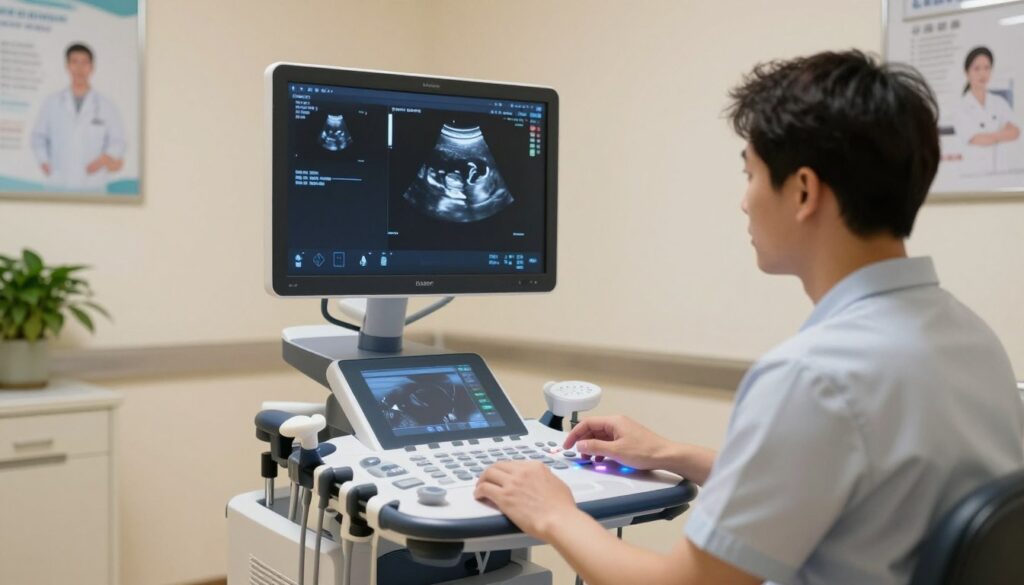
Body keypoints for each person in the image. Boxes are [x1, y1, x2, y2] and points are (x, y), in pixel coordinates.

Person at [474, 50, 1024, 585]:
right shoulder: (972, 340)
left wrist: (553, 512)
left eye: (751, 174)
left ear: (803, 191)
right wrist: (669, 455)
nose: (744, 201)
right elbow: (842, 485)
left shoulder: (813, 377)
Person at [30, 43, 126, 191]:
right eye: (74, 62)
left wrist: (104, 159)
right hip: (58, 182)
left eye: (84, 63)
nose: (79, 68)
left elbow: (118, 141)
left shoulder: (106, 106)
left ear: (92, 67)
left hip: (93, 183)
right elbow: (38, 137)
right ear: (67, 66)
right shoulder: (52, 102)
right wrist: (44, 161)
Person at [953, 46, 1019, 148]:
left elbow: (1015, 132)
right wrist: (1003, 134)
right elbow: (976, 139)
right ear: (967, 73)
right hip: (973, 158)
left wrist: (990, 137)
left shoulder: (999, 102)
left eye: (986, 68)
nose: (982, 73)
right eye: (977, 68)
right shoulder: (960, 107)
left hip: (1000, 158)